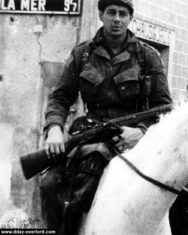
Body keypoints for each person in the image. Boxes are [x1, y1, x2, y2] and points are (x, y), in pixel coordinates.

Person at [39, 0, 172, 234]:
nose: (117, 19)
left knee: (184, 193)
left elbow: (164, 108)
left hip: (136, 140)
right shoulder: (83, 53)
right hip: (91, 136)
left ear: (131, 18)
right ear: (101, 15)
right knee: (50, 185)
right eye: (111, 12)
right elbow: (60, 97)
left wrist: (141, 131)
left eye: (123, 13)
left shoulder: (148, 57)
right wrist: (54, 129)